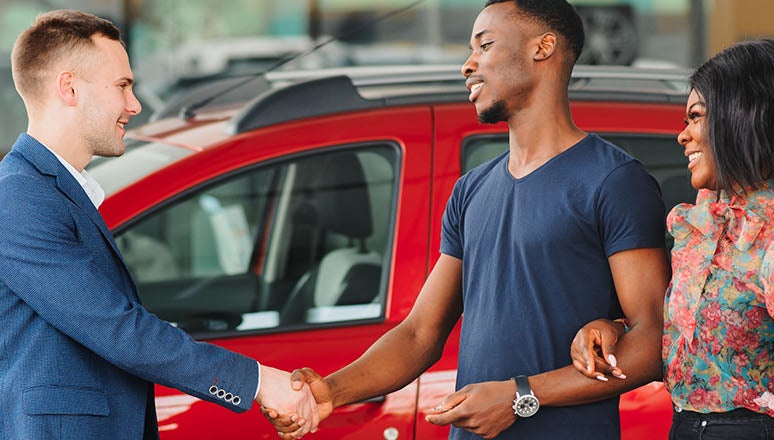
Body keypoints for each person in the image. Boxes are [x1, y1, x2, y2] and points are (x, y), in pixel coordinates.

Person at [275, 1, 671, 439]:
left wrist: (521, 396)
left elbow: (651, 343)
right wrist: (331, 390)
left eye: (485, 45)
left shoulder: (614, 181)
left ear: (543, 48)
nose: (468, 65)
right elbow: (418, 335)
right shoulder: (471, 191)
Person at [0, 10, 316, 440]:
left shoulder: (48, 192)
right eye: (123, 86)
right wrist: (257, 382)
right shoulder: (18, 199)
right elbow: (117, 328)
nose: (135, 104)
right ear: (69, 88)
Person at [568, 39, 774, 440]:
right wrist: (612, 328)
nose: (682, 136)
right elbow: (691, 334)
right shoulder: (709, 220)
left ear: (743, 117)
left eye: (695, 117)